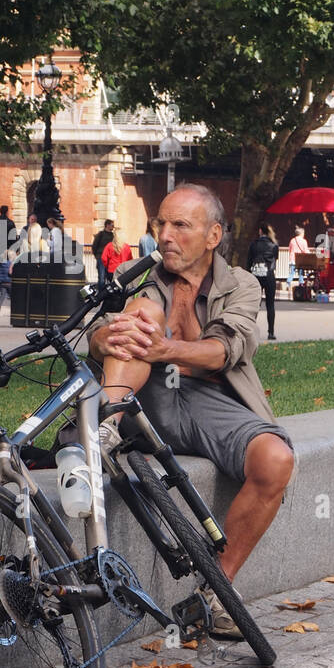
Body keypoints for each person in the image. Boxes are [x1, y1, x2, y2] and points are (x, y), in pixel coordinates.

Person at [89, 184, 294, 638]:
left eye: (180, 225)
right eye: (161, 223)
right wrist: (100, 339)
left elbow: (227, 349)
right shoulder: (136, 274)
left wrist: (167, 347)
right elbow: (98, 330)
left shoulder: (240, 284)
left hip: (211, 399)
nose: (165, 235)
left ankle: (218, 590)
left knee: (275, 460)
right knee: (138, 316)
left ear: (213, 235)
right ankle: (101, 432)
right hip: (143, 396)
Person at [247, 221, 280, 340]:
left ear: (260, 231)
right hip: (269, 276)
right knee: (270, 304)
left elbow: (249, 262)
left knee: (254, 305)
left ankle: (250, 331)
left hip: (255, 276)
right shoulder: (274, 245)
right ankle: (271, 332)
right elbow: (275, 260)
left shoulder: (254, 245)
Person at [0, 205, 16, 309]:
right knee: (9, 269)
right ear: (7, 212)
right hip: (7, 249)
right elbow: (13, 237)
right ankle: (9, 293)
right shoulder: (10, 223)